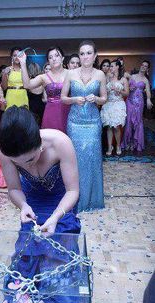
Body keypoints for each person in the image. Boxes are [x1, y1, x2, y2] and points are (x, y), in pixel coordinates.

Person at [0, 106, 81, 303]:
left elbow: (73, 191)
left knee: (58, 260)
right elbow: (14, 189)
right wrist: (23, 205)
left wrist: (55, 217)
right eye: (19, 164)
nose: (25, 166)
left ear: (39, 144)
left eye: (29, 159)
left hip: (61, 204)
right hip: (32, 205)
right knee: (27, 260)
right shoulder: (6, 150)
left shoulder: (60, 143)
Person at [61, 40, 107, 212]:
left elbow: (104, 98)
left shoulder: (100, 74)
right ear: (79, 56)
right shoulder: (70, 74)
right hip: (75, 122)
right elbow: (63, 98)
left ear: (95, 56)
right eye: (82, 53)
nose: (85, 56)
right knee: (76, 160)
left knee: (93, 159)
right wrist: (74, 100)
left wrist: (96, 99)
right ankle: (75, 200)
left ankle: (92, 200)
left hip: (93, 122)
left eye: (89, 53)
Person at [19, 46, 69, 133]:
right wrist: (23, 63)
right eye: (50, 57)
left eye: (56, 55)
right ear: (48, 61)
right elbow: (27, 85)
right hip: (51, 114)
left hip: (69, 113)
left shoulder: (71, 74)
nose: (54, 59)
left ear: (62, 58)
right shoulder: (44, 77)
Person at [122, 60, 153, 153]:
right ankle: (127, 142)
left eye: (146, 66)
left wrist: (148, 99)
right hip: (130, 101)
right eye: (142, 65)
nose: (143, 67)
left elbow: (148, 92)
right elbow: (123, 85)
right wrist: (128, 88)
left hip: (139, 103)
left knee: (137, 122)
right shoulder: (132, 76)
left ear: (148, 69)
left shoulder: (146, 80)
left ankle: (135, 143)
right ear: (140, 66)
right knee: (128, 121)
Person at [101, 59, 129, 156]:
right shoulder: (107, 78)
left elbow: (127, 93)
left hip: (118, 104)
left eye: (112, 66)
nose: (110, 68)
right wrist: (107, 91)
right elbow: (103, 91)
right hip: (108, 104)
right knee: (109, 127)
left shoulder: (123, 79)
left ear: (118, 67)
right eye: (110, 66)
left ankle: (118, 145)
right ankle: (109, 147)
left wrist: (119, 91)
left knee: (116, 127)